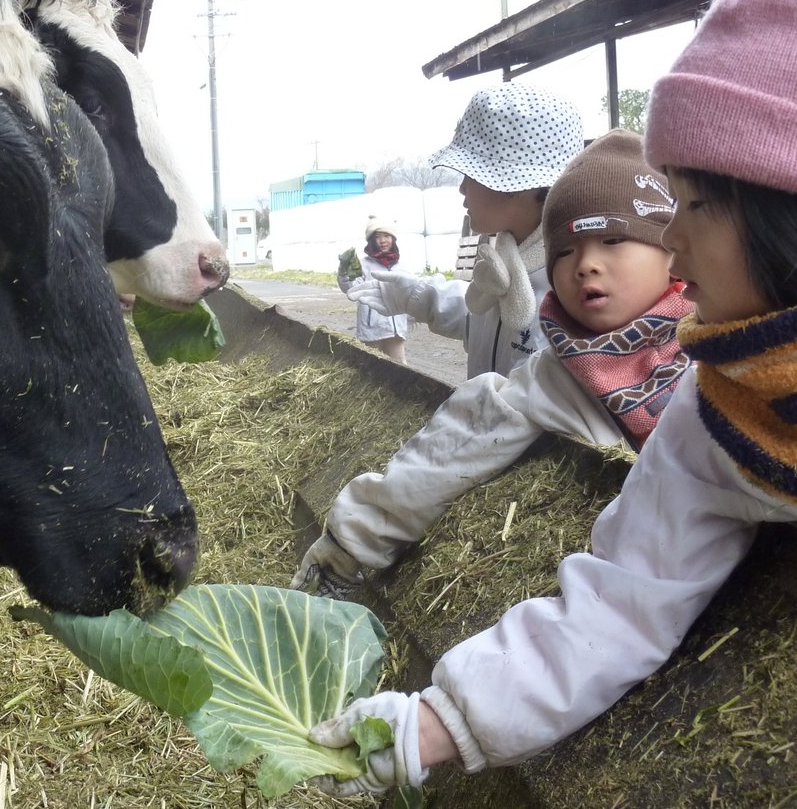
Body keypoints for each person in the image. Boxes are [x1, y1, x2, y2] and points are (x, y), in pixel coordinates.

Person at [304, 0, 797, 795]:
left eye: (692, 205)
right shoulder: (717, 413)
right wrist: (432, 723)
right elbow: (620, 600)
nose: (670, 240)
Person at [293, 128, 689, 598]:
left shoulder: (709, 353)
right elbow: (471, 369)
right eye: (567, 250)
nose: (585, 264)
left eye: (615, 240)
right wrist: (394, 291)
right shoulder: (518, 293)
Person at [347, 82, 583, 379]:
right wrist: (417, 297)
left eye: (470, 174)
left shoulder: (573, 289)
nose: (461, 188)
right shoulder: (506, 258)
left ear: (515, 184)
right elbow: (485, 325)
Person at [337, 217, 411, 363]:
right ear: (371, 240)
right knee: (369, 368)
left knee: (401, 370)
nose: (383, 240)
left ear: (393, 238)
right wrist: (343, 272)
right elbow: (351, 289)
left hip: (395, 332)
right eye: (377, 237)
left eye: (387, 236)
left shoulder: (400, 266)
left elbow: (408, 292)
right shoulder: (363, 265)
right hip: (372, 329)